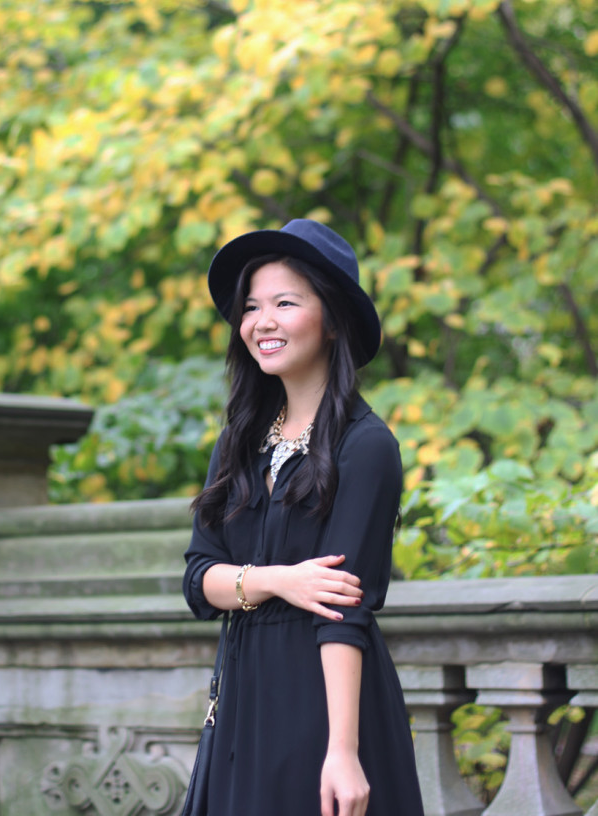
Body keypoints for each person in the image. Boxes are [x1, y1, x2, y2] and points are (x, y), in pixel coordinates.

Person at [182, 218, 425, 816]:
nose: (261, 322)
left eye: (284, 303)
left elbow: (343, 609)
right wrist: (277, 580)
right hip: (243, 702)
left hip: (326, 706)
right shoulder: (238, 442)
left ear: (332, 318)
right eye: (250, 307)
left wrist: (343, 750)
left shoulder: (365, 446)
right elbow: (197, 580)